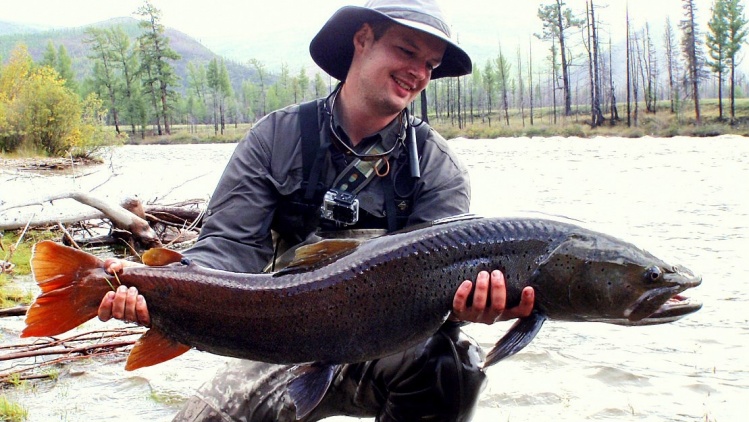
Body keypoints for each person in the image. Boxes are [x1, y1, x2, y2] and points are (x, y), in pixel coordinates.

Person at [98, 0, 535, 420]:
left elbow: (438, 298)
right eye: (406, 51)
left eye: (431, 65)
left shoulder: (439, 169)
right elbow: (229, 247)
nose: (419, 73)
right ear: (362, 39)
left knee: (454, 369)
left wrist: (468, 307)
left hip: (383, 349)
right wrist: (164, 286)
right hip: (279, 340)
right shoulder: (275, 137)